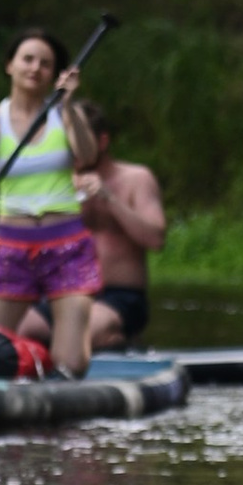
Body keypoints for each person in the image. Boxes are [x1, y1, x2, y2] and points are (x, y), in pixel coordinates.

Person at [0, 30, 99, 375]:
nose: (36, 68)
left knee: (71, 365)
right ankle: (22, 369)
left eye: (45, 64)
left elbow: (87, 156)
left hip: (67, 247)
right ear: (10, 65)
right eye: (28, 59)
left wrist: (68, 105)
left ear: (55, 74)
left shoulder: (65, 114)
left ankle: (46, 370)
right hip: (12, 247)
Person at [75, 97, 167, 354]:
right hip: (68, 295)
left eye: (80, 139)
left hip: (121, 297)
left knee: (82, 334)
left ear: (102, 141)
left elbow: (156, 239)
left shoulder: (136, 179)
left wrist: (110, 199)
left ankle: (117, 344)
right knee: (23, 329)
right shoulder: (58, 184)